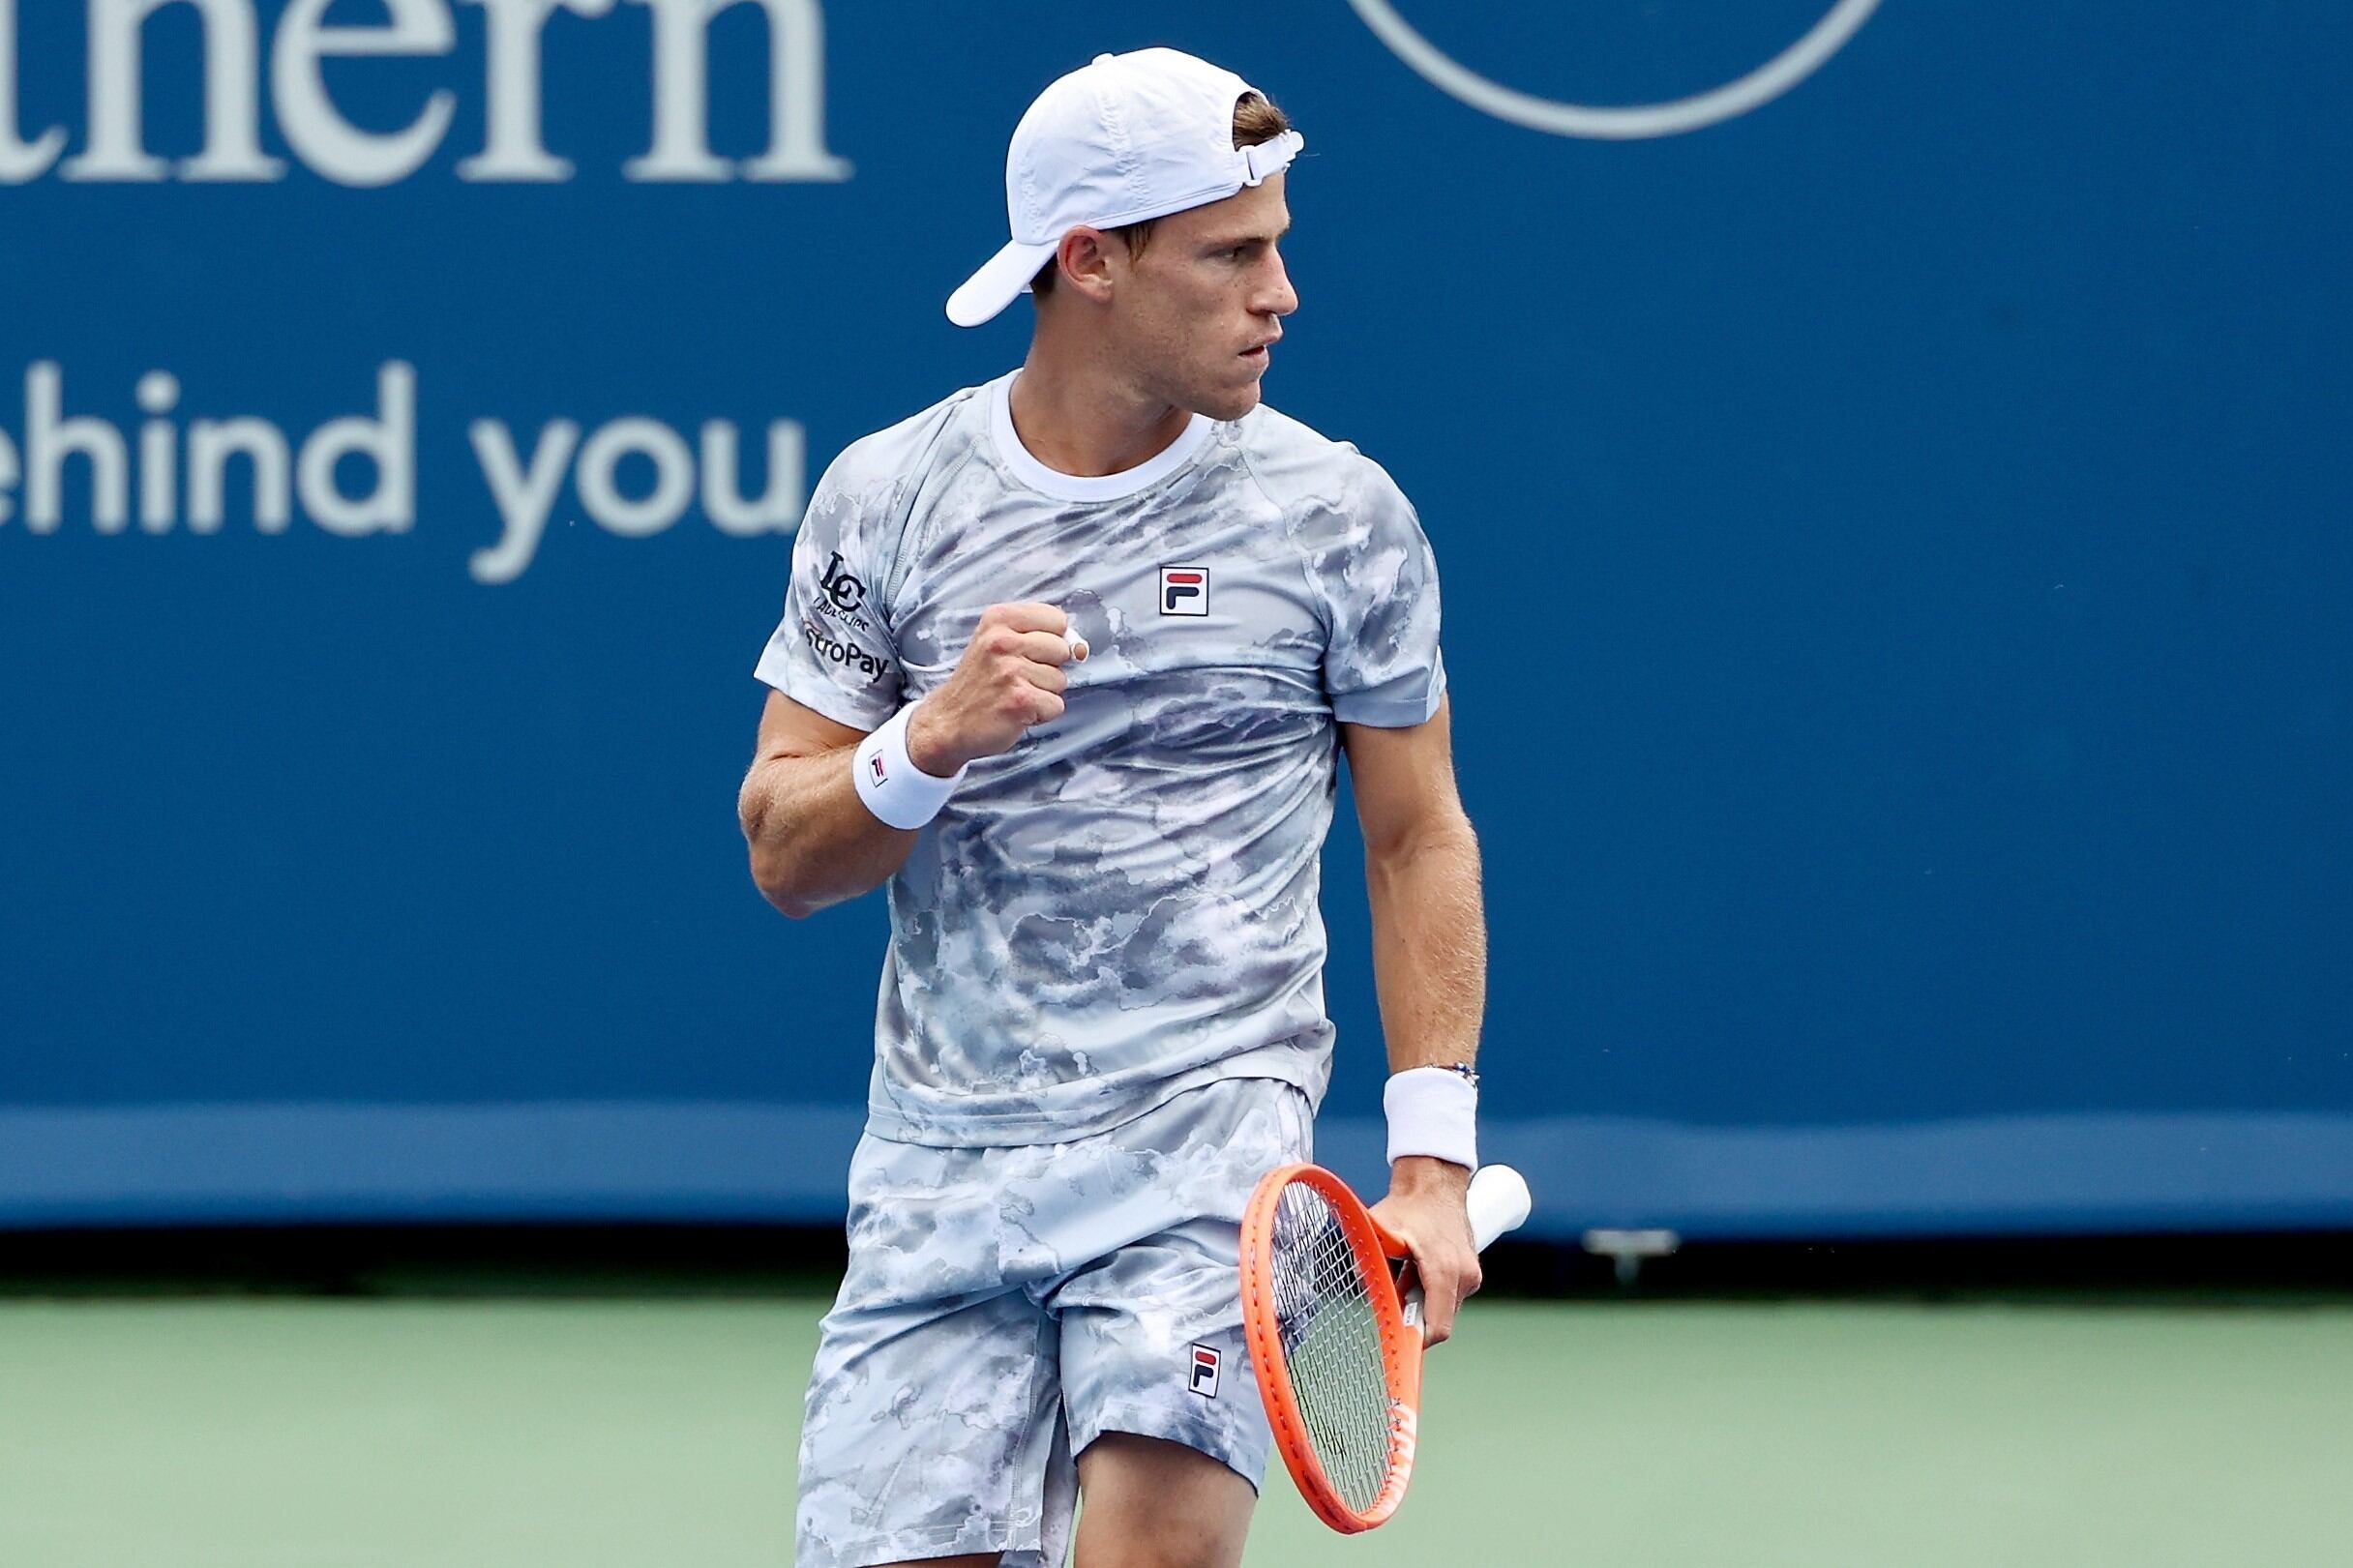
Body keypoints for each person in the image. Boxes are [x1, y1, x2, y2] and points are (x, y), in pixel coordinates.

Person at [736, 46, 1487, 1568]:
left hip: (1213, 1153)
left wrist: (1431, 1167)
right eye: (1231, 254)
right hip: (944, 1172)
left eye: (1276, 245)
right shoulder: (885, 499)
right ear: (1091, 262)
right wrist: (930, 735)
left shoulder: (1341, 516)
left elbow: (1418, 837)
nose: (1281, 294)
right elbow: (783, 849)